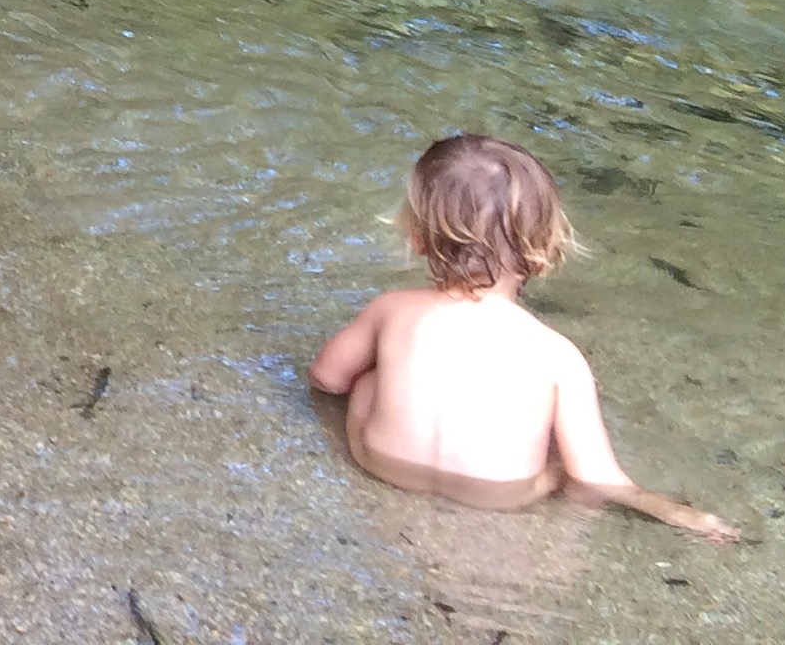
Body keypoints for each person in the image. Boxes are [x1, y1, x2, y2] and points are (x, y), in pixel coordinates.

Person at [310, 133, 737, 539]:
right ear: (546, 250)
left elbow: (327, 378)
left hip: (383, 464)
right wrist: (675, 512)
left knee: (367, 380)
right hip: (502, 495)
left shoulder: (393, 308)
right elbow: (597, 479)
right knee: (558, 449)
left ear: (418, 238)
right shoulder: (557, 355)